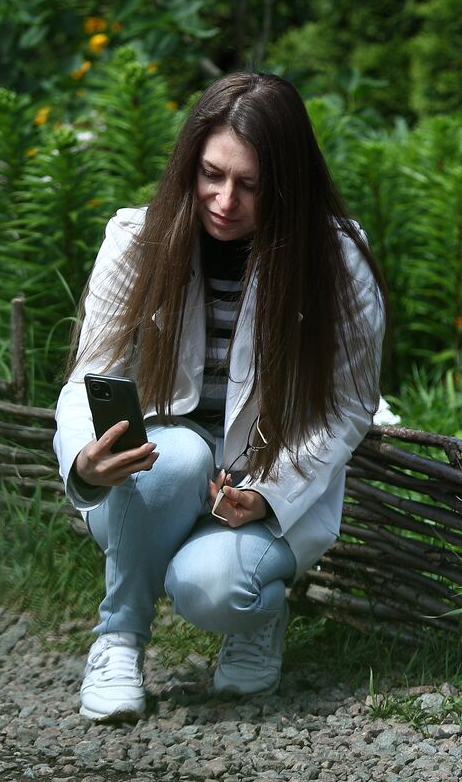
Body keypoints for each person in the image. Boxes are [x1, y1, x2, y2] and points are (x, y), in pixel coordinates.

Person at [52, 72, 388, 722]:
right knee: (170, 456)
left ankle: (256, 616)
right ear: (189, 165)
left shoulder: (339, 260)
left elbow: (350, 405)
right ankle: (117, 641)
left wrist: (268, 491)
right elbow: (85, 380)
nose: (224, 199)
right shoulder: (136, 240)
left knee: (206, 586)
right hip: (153, 483)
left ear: (287, 184)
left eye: (250, 184)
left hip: (262, 482)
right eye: (211, 174)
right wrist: (86, 462)